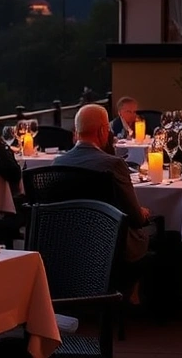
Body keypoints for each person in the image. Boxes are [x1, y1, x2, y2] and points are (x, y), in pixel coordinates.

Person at [51, 104, 151, 261]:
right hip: (112, 245)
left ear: (76, 132)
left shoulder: (58, 163)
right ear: (103, 131)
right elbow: (135, 218)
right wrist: (142, 213)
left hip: (71, 244)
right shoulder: (113, 165)